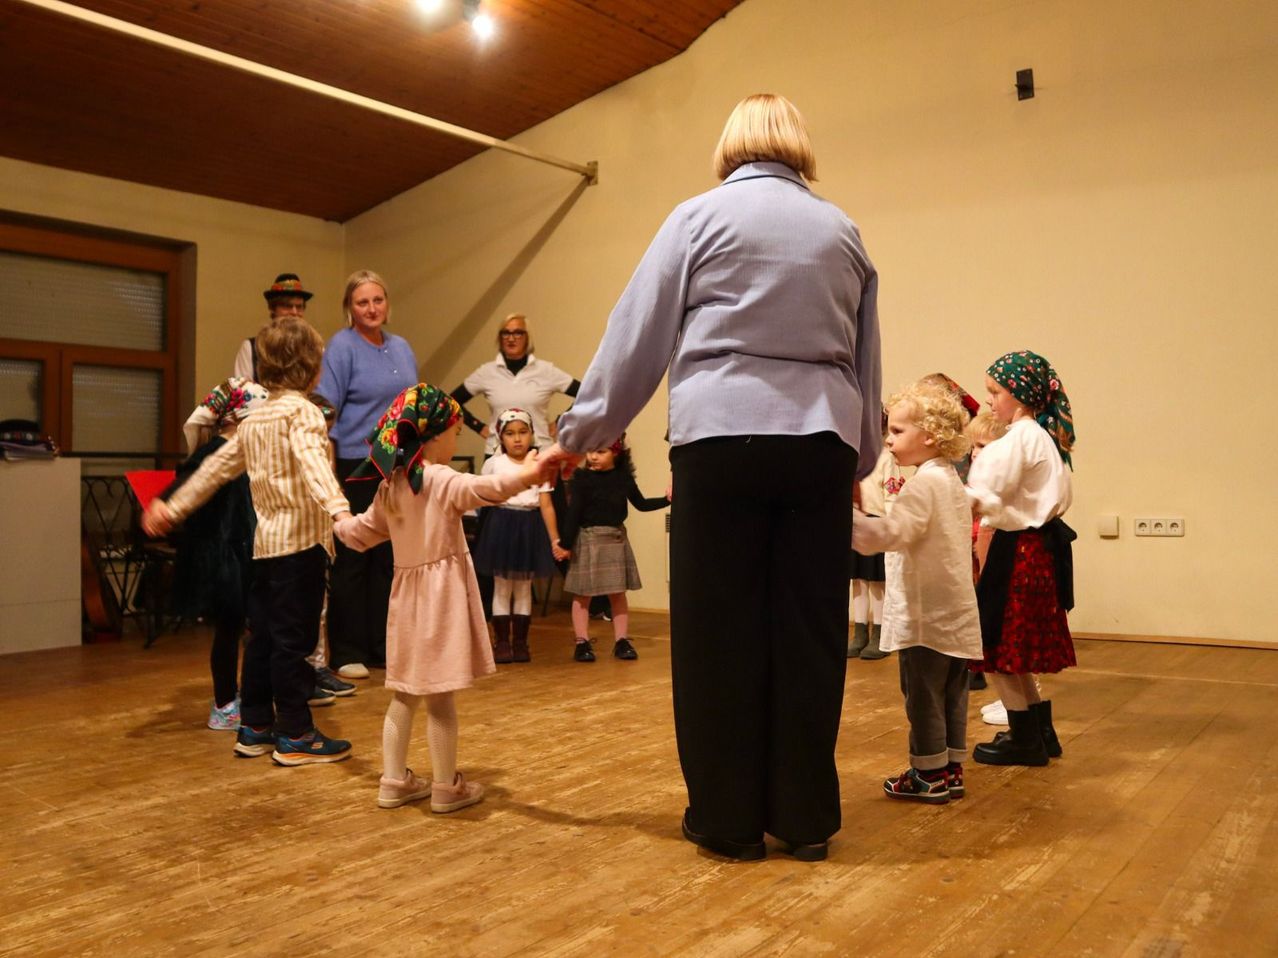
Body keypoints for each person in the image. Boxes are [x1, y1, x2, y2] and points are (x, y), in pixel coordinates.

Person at [542, 94, 881, 862]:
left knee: (716, 634)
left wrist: (581, 434)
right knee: (809, 633)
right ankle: (803, 818)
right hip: (820, 441)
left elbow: (637, 337)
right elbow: (866, 356)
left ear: (730, 145)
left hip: (720, 439)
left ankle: (727, 818)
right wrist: (859, 456)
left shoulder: (696, 219)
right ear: (798, 145)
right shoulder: (843, 232)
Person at [143, 318, 354, 766]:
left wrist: (173, 507)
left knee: (262, 640)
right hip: (301, 548)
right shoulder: (305, 413)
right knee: (292, 642)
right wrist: (340, 511)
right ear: (312, 368)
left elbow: (215, 470)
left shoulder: (254, 419)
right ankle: (296, 733)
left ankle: (255, 726)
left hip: (264, 549)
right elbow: (314, 463)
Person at [333, 385, 548, 811]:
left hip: (405, 603)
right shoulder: (440, 479)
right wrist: (531, 473)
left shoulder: (391, 486)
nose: (458, 440)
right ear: (433, 437)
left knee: (404, 693)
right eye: (453, 431)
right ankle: (447, 786)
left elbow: (357, 536)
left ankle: (394, 780)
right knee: (441, 696)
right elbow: (490, 488)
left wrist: (337, 512)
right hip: (440, 602)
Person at [852, 382, 982, 804]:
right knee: (952, 694)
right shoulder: (949, 480)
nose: (888, 438)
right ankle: (950, 768)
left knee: (922, 695)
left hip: (927, 616)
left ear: (929, 436)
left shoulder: (922, 486)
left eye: (898, 431)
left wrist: (847, 521)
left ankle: (927, 774)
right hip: (955, 614)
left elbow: (893, 532)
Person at [967, 350, 1077, 766]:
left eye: (996, 392)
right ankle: (1038, 734)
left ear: (1019, 393)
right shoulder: (1039, 436)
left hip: (1020, 550)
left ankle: (1024, 739)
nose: (991, 400)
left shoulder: (1020, 438)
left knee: (997, 650)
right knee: (1011, 650)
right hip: (1034, 549)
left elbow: (983, 494)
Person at [318, 270, 420, 679]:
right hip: (356, 464)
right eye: (362, 302)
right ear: (349, 307)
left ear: (387, 303)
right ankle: (347, 650)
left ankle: (383, 644)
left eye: (377, 300)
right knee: (355, 556)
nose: (371, 309)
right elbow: (326, 409)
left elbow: (412, 402)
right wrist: (326, 470)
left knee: (390, 559)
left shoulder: (402, 347)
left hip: (396, 464)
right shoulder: (341, 347)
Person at [168, 376, 268, 730]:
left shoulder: (247, 455)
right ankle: (224, 703)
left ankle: (246, 694)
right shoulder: (213, 455)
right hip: (223, 557)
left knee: (246, 626)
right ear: (236, 418)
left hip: (243, 552)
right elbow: (184, 487)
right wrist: (165, 507)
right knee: (229, 628)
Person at [556, 437, 669, 662]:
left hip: (615, 538)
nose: (592, 457)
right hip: (589, 539)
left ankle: (621, 641)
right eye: (590, 451)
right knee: (583, 594)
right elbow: (574, 514)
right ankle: (582, 642)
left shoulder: (623, 478)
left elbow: (641, 504)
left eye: (600, 451)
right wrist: (565, 544)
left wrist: (667, 500)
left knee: (617, 594)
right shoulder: (583, 479)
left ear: (616, 453)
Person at [471, 409, 558, 663]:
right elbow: (481, 496)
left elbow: (546, 504)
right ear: (501, 437)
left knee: (523, 588)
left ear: (532, 434)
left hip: (529, 526)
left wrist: (554, 539)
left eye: (523, 432)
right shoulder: (494, 464)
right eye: (510, 433)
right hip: (501, 524)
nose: (517, 439)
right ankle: (501, 642)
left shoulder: (540, 464)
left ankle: (521, 642)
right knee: (501, 586)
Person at [450, 314, 580, 457]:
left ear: (527, 337)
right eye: (506, 333)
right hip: (497, 454)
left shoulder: (546, 371)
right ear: (500, 338)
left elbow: (585, 393)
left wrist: (561, 422)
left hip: (540, 453)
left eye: (518, 333)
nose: (511, 338)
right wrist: (478, 427)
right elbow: (450, 402)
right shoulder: (486, 372)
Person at [232, 273, 312, 381]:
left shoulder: (315, 349)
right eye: (287, 306)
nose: (294, 312)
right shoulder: (251, 348)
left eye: (299, 307)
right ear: (272, 309)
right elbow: (242, 394)